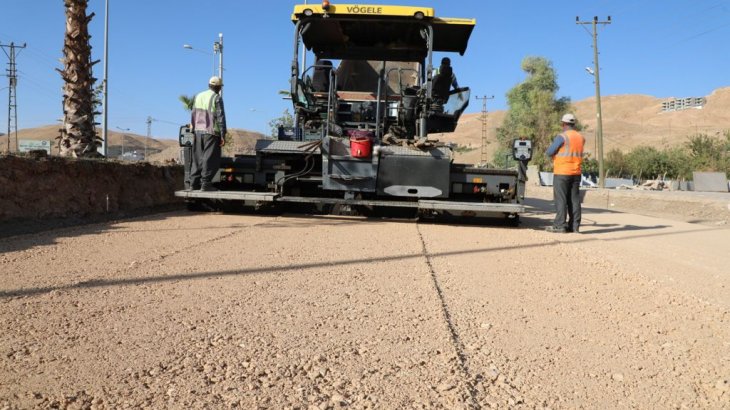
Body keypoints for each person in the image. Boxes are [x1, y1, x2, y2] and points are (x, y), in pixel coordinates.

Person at [545, 113, 585, 233]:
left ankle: (560, 225)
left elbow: (549, 152)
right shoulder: (581, 137)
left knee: (561, 199)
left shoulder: (562, 137)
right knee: (574, 200)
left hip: (562, 172)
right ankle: (574, 226)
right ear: (574, 124)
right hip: (576, 173)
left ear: (563, 124)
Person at [188, 76, 227, 191]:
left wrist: (192, 129)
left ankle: (193, 184)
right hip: (211, 132)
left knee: (197, 158)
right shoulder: (217, 98)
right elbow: (220, 117)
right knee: (209, 158)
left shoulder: (198, 96)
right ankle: (205, 184)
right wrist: (223, 134)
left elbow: (193, 114)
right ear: (218, 87)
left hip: (197, 132)